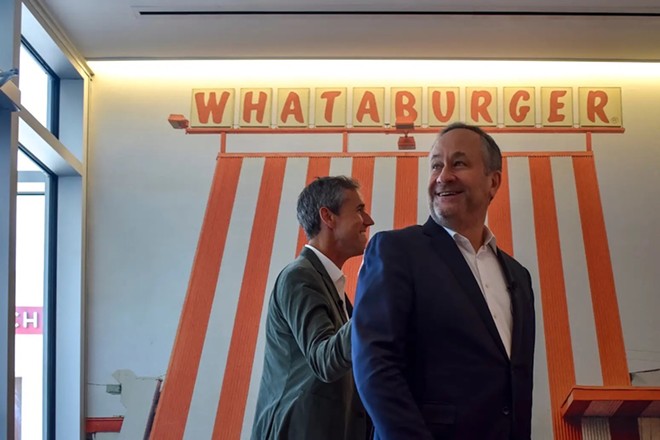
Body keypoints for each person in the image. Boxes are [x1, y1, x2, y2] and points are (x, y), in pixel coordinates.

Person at [352, 122, 536, 440]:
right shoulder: (396, 250)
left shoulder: (518, 275)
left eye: (459, 163)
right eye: (436, 164)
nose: (443, 176)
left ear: (493, 182)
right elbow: (375, 365)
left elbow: (514, 382)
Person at [251, 176, 375, 440]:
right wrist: (378, 298)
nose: (368, 220)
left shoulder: (332, 286)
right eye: (359, 210)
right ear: (328, 217)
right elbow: (325, 360)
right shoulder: (299, 277)